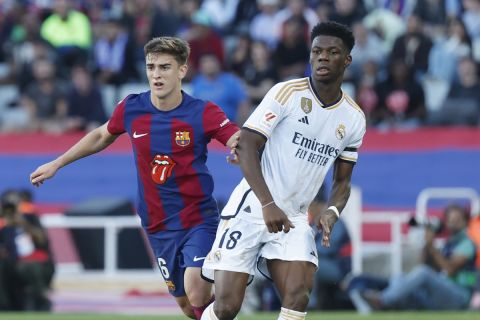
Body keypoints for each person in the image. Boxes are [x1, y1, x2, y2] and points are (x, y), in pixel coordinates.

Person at [30, 37, 240, 319]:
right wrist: (57, 163)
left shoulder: (203, 112)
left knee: (196, 289)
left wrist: (240, 148)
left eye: (165, 67)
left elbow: (237, 138)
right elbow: (101, 135)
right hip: (157, 223)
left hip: (197, 218)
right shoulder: (132, 108)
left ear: (182, 70)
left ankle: (227, 299)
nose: (156, 74)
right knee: (188, 307)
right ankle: (226, 306)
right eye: (151, 67)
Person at [201, 21, 366, 320]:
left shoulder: (354, 118)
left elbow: (343, 181)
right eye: (317, 51)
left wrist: (332, 211)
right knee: (226, 307)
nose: (323, 58)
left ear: (347, 60)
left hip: (294, 216)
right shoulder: (287, 92)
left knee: (298, 295)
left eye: (332, 52)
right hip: (253, 207)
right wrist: (267, 203)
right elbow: (247, 145)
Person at [361, 204, 476, 311]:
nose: (452, 223)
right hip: (443, 291)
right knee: (398, 277)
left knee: (423, 272)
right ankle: (391, 304)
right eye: (450, 220)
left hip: (460, 296)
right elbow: (427, 267)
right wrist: (428, 245)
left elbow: (449, 269)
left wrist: (432, 247)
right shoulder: (449, 243)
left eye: (457, 220)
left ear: (465, 221)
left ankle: (382, 301)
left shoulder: (467, 243)